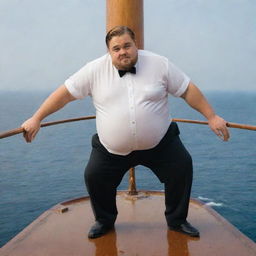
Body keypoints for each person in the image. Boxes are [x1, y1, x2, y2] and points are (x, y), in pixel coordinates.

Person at [22, 26, 230, 239]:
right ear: (109, 51)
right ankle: (104, 221)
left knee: (182, 166)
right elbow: (64, 95)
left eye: (127, 46)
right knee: (94, 176)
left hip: (160, 143)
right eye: (116, 48)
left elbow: (187, 90)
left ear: (135, 44)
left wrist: (211, 117)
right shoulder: (93, 70)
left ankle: (177, 221)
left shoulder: (160, 64)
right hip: (111, 148)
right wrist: (37, 118)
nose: (123, 51)